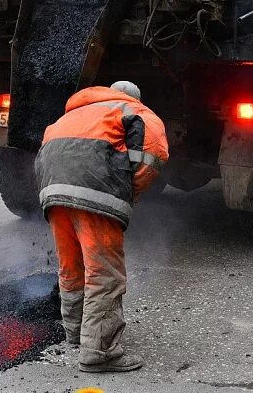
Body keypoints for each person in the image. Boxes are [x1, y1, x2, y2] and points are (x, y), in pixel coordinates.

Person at [35, 81, 169, 373]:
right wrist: (126, 193)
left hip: (52, 193)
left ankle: (74, 332)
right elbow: (153, 156)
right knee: (104, 274)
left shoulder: (74, 113)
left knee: (72, 266)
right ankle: (99, 352)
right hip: (96, 194)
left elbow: (43, 154)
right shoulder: (135, 110)